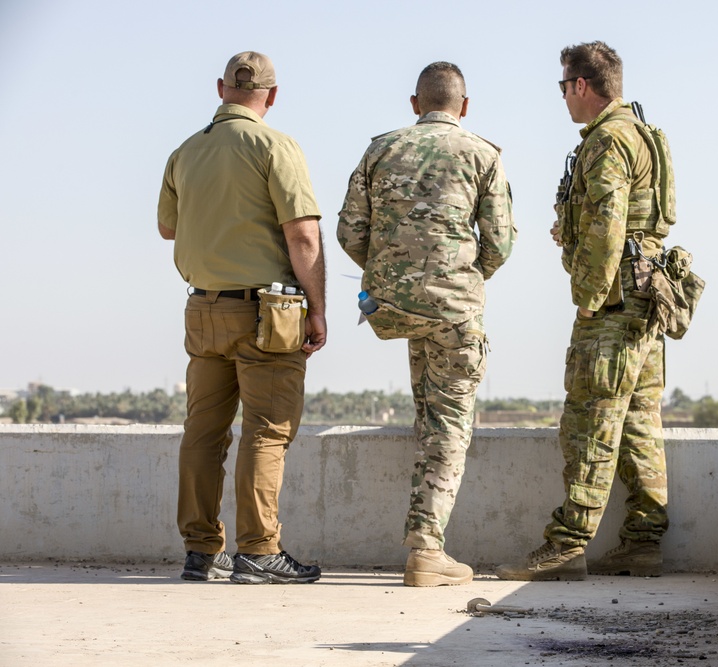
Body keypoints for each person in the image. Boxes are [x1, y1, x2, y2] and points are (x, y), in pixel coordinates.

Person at [497, 41, 674, 581]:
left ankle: (567, 546)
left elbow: (610, 224)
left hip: (615, 303)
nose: (563, 99)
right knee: (640, 419)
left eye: (563, 87)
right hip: (646, 298)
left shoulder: (607, 140)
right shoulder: (642, 132)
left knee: (589, 419)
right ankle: (642, 540)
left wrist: (590, 298)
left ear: (580, 86)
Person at [337, 62, 516, 587]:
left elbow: (351, 230)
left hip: (393, 307)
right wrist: (457, 278)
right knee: (449, 426)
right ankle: (426, 549)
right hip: (454, 309)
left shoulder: (381, 150)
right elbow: (500, 242)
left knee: (426, 411)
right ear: (465, 106)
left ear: (416, 104)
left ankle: (426, 545)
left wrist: (395, 275)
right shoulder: (482, 154)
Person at [157, 51, 326, 584]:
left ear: (220, 89)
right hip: (267, 312)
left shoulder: (185, 152)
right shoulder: (276, 145)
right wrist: (318, 308)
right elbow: (302, 234)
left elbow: (167, 228)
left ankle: (202, 551)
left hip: (202, 306)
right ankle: (259, 550)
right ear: (271, 97)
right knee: (267, 430)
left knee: (202, 432)